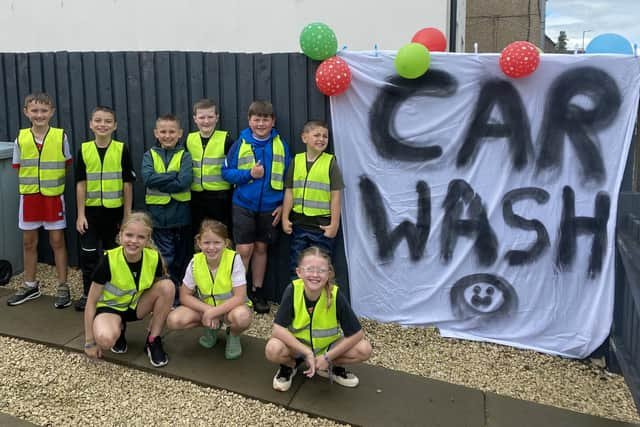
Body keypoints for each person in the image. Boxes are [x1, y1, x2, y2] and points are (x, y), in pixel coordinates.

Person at [265, 246, 372, 392]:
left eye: (321, 270)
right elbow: (277, 329)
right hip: (298, 348)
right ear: (299, 272)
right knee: (273, 348)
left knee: (364, 349)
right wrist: (307, 352)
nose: (315, 274)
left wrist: (328, 357)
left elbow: (357, 334)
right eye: (309, 269)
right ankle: (290, 366)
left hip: (326, 348)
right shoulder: (293, 290)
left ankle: (329, 366)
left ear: (328, 274)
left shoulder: (335, 295)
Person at [221, 100, 291, 314]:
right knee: (243, 249)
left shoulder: (280, 144)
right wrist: (249, 174)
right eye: (256, 119)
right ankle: (238, 292)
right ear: (249, 121)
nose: (261, 123)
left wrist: (282, 205)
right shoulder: (240, 143)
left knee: (261, 248)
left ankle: (256, 290)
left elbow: (289, 178)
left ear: (273, 121)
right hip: (243, 204)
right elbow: (225, 173)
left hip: (270, 207)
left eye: (265, 119)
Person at [83, 212, 174, 367]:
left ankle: (153, 340)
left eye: (140, 237)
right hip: (110, 309)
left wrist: (157, 316)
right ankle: (119, 328)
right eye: (129, 235)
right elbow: (91, 302)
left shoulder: (153, 257)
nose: (134, 241)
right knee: (105, 339)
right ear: (121, 234)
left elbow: (160, 291)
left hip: (135, 307)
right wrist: (89, 342)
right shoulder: (108, 260)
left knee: (168, 286)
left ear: (147, 238)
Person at [8, 92, 72, 308]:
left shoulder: (61, 136)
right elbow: (17, 167)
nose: (39, 114)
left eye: (44, 110)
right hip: (29, 197)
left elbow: (66, 162)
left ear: (51, 112)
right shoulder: (21, 138)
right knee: (29, 242)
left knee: (57, 241)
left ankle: (63, 285)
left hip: (53, 197)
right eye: (34, 110)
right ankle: (30, 285)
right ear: (26, 112)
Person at [74, 106, 135, 311]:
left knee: (114, 256)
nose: (103, 125)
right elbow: (80, 184)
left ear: (115, 125)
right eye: (98, 121)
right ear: (91, 124)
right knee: (89, 255)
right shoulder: (84, 149)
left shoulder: (121, 149)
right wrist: (80, 214)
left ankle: (111, 294)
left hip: (114, 214)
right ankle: (87, 293)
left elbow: (127, 184)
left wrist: (127, 215)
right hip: (90, 214)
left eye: (108, 121)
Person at [166, 219, 252, 359]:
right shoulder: (195, 262)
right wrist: (208, 312)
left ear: (226, 243)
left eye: (217, 242)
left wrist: (214, 313)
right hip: (206, 308)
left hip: (231, 309)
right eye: (206, 243)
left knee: (242, 317)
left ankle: (233, 335)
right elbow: (184, 295)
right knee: (174, 320)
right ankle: (212, 327)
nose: (211, 247)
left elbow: (239, 297)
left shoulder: (234, 259)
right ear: (199, 243)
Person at [281, 120, 344, 278]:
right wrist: (284, 218)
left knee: (321, 268)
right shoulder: (296, 161)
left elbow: (336, 195)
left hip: (321, 228)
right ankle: (298, 300)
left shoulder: (330, 163)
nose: (321, 139)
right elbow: (289, 191)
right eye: (316, 135)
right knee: (297, 265)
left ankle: (323, 301)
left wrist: (334, 224)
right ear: (304, 138)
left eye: (325, 136)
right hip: (299, 225)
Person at [142, 114, 193, 305]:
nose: (167, 135)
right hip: (158, 218)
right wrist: (173, 175)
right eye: (163, 131)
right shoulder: (149, 155)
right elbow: (148, 178)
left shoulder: (184, 156)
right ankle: (169, 297)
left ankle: (180, 295)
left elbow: (184, 181)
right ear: (156, 133)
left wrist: (162, 179)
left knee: (181, 259)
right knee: (166, 259)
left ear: (180, 133)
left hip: (181, 216)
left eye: (172, 131)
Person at [185, 99, 234, 234]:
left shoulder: (226, 139)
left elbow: (233, 167)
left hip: (220, 197)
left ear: (217, 118)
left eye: (210, 117)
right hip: (196, 197)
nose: (206, 121)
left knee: (221, 232)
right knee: (198, 233)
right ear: (195, 119)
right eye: (201, 117)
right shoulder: (189, 139)